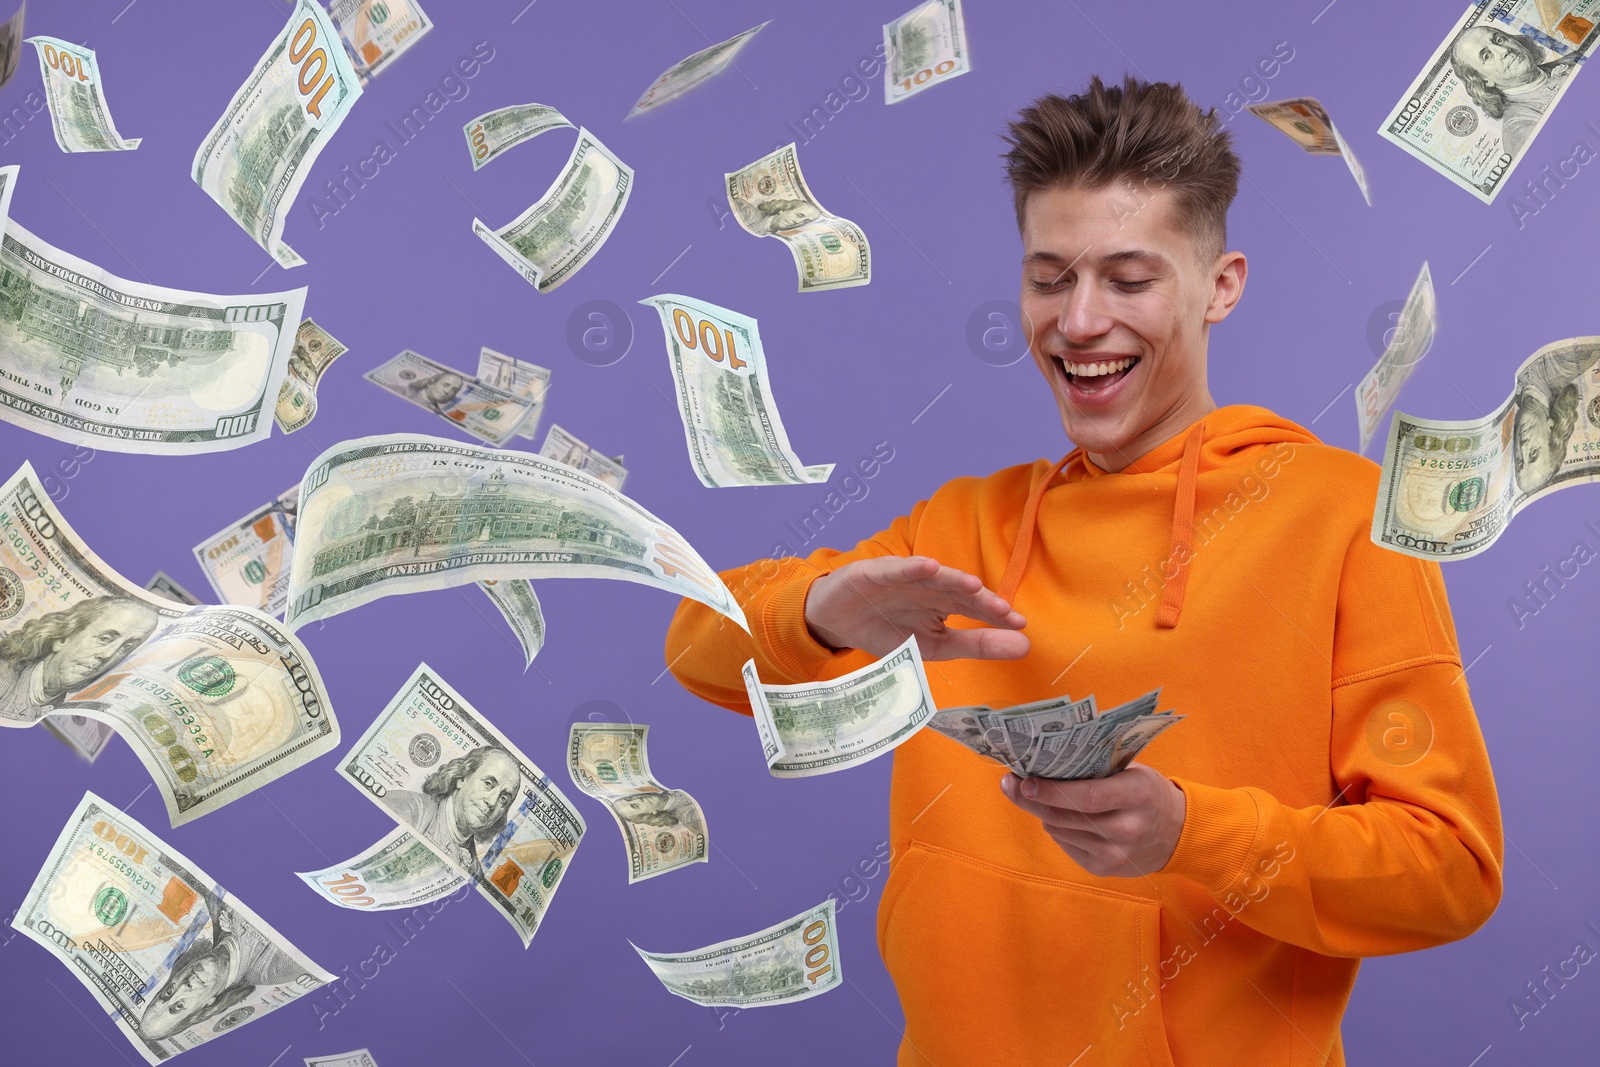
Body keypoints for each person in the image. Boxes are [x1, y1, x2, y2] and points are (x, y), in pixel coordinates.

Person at [664, 75, 1503, 1065]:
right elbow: (699, 646)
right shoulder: (965, 523)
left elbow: (1448, 868)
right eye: (1050, 276)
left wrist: (1194, 833)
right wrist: (818, 610)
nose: (1077, 320)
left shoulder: (1344, 519)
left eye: (1129, 279)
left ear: (1219, 285)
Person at [139, 895, 312, 1042]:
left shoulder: (214, 904)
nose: (183, 987)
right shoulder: (275, 969)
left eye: (168, 992)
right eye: (179, 1005)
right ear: (207, 1004)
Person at [0, 596, 158, 721]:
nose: (108, 655)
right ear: (63, 638)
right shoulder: (4, 675)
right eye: (105, 639)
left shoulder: (69, 709)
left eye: (126, 648)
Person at [387, 744, 521, 877]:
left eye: (503, 799)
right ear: (462, 778)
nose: (492, 802)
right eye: (488, 784)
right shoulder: (406, 808)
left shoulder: (475, 874)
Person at [1450, 25, 1581, 156]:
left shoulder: (1575, 60)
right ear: (1484, 81)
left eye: (1499, 40)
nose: (1504, 50)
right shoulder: (1519, 128)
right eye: (1487, 56)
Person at [1511, 339, 1600, 496]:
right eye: (1533, 453)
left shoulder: (1513, 395)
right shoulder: (1569, 363)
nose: (1523, 446)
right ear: (1551, 428)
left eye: (1519, 461)